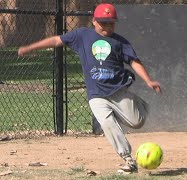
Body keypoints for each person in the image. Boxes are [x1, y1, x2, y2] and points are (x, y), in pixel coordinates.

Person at [18, 3, 161, 174]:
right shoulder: (82, 36)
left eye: (111, 23)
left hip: (118, 90)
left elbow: (133, 62)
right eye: (103, 22)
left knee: (137, 122)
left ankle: (139, 104)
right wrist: (30, 48)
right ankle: (128, 160)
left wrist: (148, 80)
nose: (107, 26)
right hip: (96, 95)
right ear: (93, 21)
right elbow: (57, 40)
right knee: (107, 123)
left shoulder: (120, 42)